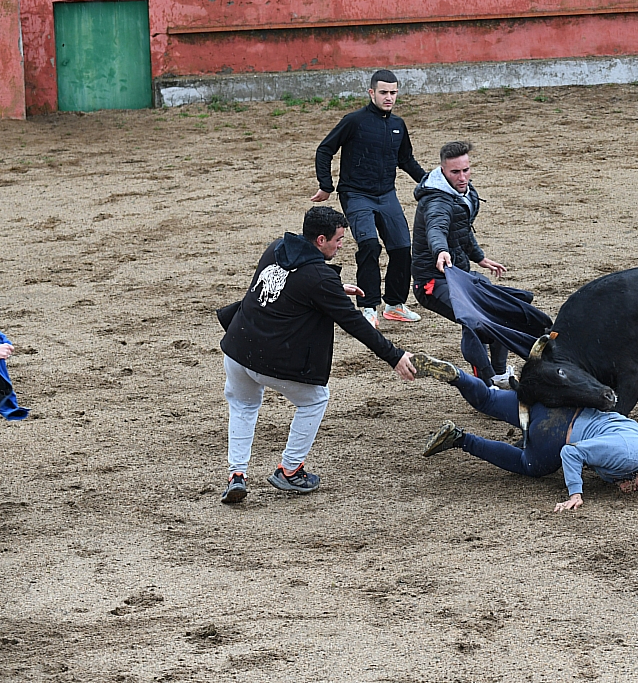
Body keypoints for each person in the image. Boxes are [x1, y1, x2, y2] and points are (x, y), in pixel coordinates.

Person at [218, 206, 416, 505]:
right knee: (315, 400)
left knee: (244, 407)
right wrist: (394, 356)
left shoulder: (278, 247)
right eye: (338, 239)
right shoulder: (320, 278)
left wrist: (334, 287)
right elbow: (354, 324)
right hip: (268, 357)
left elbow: (290, 284)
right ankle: (290, 470)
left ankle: (237, 475)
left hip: (236, 347)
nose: (341, 245)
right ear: (320, 239)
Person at [413, 353, 638, 512]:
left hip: (558, 402)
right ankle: (461, 439)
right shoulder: (627, 454)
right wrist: (575, 493)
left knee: (486, 400)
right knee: (529, 465)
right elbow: (571, 452)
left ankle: (457, 376)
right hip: (558, 429)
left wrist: (624, 479)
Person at [313, 69, 427, 329]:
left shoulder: (398, 125)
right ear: (371, 93)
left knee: (401, 248)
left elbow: (406, 159)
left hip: (386, 194)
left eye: (393, 93)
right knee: (369, 246)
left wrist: (429, 182)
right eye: (384, 92)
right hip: (355, 194)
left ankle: (395, 305)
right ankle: (367, 307)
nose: (389, 97)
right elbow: (325, 149)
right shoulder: (354, 121)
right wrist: (326, 185)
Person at [411, 140, 513, 387]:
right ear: (442, 170)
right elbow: (437, 228)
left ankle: (499, 374)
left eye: (466, 170)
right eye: (455, 172)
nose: (463, 177)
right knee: (473, 321)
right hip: (431, 281)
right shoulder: (437, 201)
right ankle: (487, 383)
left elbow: (461, 228)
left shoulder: (463, 192)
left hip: (459, 276)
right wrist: (441, 250)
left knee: (500, 310)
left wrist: (479, 257)